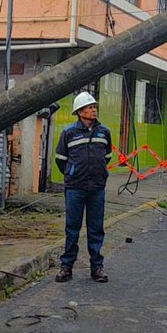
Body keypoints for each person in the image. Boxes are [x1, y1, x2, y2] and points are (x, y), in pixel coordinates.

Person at [53, 91, 114, 283]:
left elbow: (107, 156)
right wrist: (73, 173)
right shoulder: (68, 133)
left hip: (97, 187)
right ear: (80, 112)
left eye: (94, 107)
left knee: (96, 228)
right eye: (89, 107)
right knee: (72, 228)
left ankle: (97, 267)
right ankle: (66, 267)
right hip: (75, 188)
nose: (93, 110)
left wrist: (99, 173)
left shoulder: (104, 132)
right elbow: (61, 159)